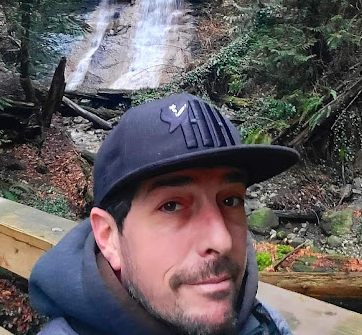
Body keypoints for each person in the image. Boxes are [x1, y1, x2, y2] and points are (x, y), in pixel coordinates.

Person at [29, 93, 299, 335]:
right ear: (109, 238)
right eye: (171, 206)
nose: (222, 240)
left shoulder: (268, 325)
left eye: (230, 200)